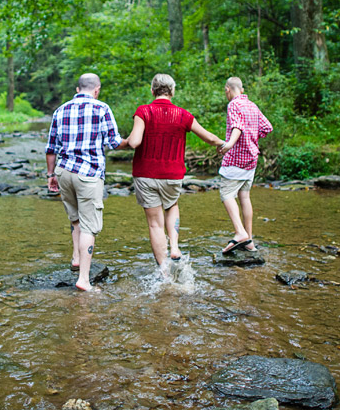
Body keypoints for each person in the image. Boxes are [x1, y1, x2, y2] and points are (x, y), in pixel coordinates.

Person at [127, 74, 224, 275]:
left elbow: (134, 142)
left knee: (155, 224)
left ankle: (164, 272)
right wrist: (224, 144)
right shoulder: (183, 115)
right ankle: (174, 247)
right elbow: (210, 137)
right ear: (172, 91)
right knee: (171, 205)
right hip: (173, 174)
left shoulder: (143, 111)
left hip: (145, 174)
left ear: (152, 91)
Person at [45, 73, 127, 291]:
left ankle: (76, 258)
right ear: (97, 89)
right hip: (88, 174)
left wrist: (50, 175)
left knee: (75, 218)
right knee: (89, 226)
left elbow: (51, 148)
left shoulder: (60, 110)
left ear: (78, 88)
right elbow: (114, 142)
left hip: (64, 172)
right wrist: (134, 141)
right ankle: (83, 279)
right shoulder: (102, 109)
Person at [217, 76, 273, 254]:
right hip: (252, 160)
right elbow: (267, 127)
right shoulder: (252, 105)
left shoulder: (233, 104)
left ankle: (240, 233)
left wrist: (229, 145)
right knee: (245, 196)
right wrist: (252, 139)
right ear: (242, 89)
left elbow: (237, 127)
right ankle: (249, 240)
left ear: (228, 89)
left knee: (226, 194)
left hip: (236, 159)